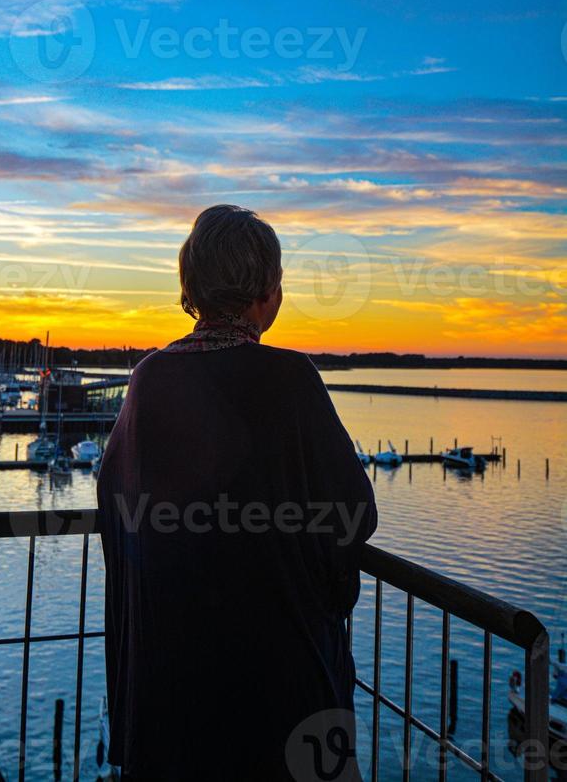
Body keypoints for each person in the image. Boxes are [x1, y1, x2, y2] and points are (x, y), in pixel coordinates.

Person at [97, 205, 377, 782]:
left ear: (191, 288)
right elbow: (353, 511)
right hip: (280, 691)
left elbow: (114, 506)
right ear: (268, 294)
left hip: (167, 690)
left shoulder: (150, 379)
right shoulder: (290, 379)